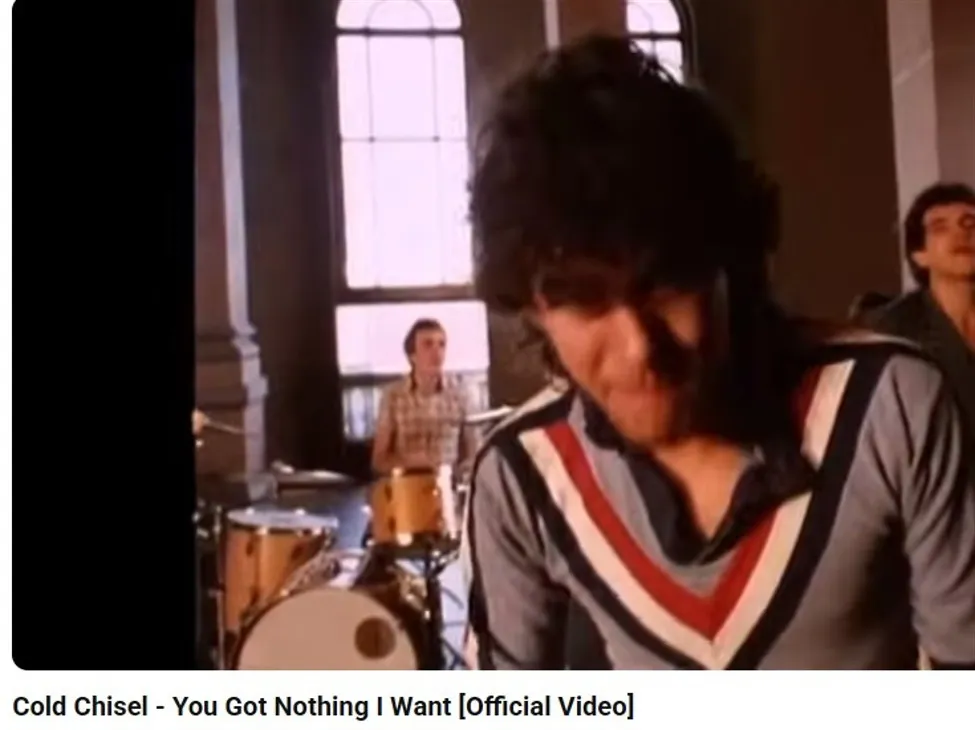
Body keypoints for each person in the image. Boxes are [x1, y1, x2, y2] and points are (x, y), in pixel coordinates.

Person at [460, 35, 975, 670]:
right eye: (584, 301)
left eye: (667, 283)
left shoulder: (889, 403)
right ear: (532, 307)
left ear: (731, 263)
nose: (638, 346)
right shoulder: (518, 475)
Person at [864, 183, 975, 434]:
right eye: (940, 227)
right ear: (919, 254)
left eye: (970, 223)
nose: (961, 234)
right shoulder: (892, 327)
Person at [371, 318, 478, 477]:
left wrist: (457, 475)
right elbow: (379, 461)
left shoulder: (461, 394)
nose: (437, 352)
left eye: (442, 344)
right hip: (406, 485)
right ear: (412, 355)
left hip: (448, 483)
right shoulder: (393, 396)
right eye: (428, 345)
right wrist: (411, 462)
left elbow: (474, 455)